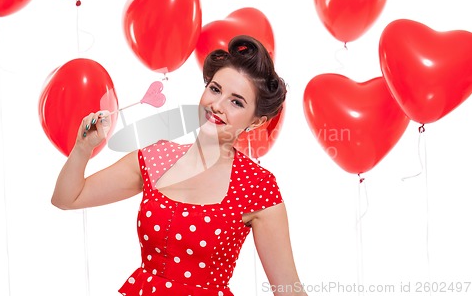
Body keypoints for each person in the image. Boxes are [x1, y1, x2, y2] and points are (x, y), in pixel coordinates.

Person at [52, 35, 308, 296]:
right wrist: (83, 148)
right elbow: (67, 198)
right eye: (215, 89)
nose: (217, 106)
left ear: (255, 122)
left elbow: (288, 289)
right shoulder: (154, 159)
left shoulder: (257, 186)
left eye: (236, 102)